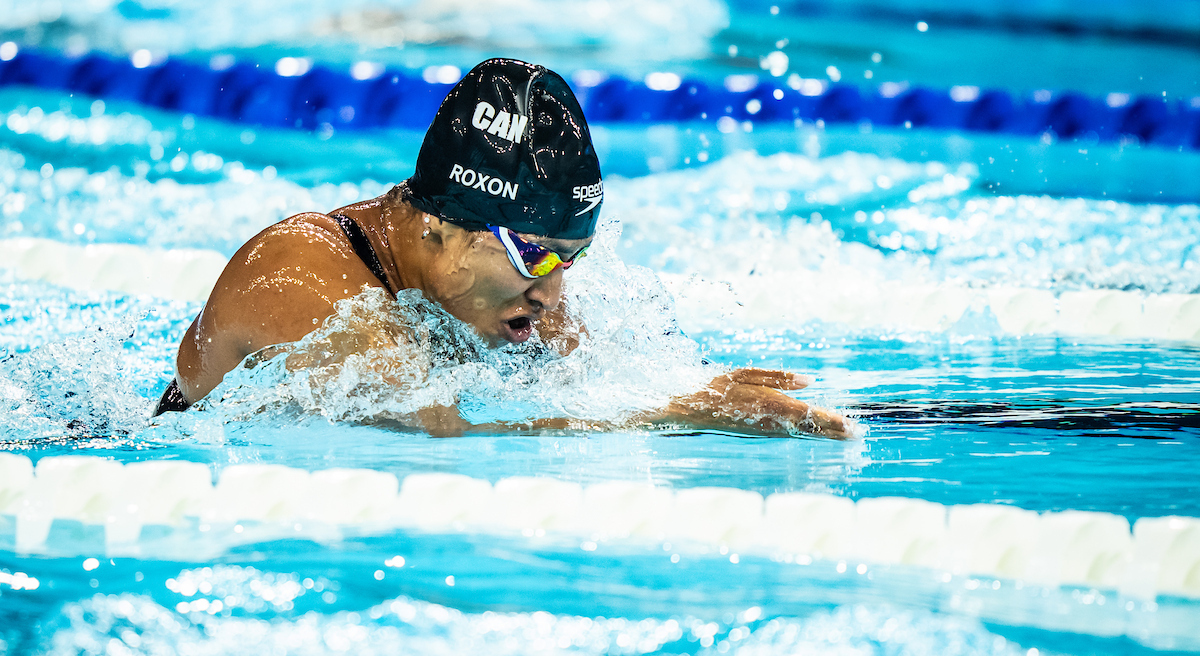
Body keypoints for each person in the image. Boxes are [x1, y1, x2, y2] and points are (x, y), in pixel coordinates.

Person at [155, 58, 850, 439]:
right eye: (536, 256)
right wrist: (679, 412)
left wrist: (703, 393)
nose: (552, 293)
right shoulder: (300, 274)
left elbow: (589, 383)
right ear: (442, 229)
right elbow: (438, 430)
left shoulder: (510, 285)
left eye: (569, 259)